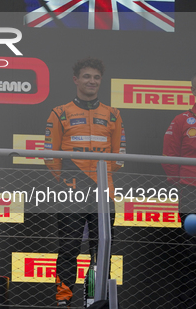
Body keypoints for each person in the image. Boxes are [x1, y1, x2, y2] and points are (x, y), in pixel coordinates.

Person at [43, 57, 125, 307]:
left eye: (96, 77)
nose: (92, 81)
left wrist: (99, 181)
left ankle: (94, 299)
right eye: (87, 76)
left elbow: (119, 158)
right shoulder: (60, 112)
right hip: (71, 191)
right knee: (68, 248)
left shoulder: (113, 114)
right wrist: (70, 179)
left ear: (101, 80)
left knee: (101, 251)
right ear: (76, 80)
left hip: (103, 192)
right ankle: (63, 299)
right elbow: (50, 156)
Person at [162, 73, 196, 308]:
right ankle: (188, 304)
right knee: (191, 252)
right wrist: (181, 181)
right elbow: (170, 156)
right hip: (191, 193)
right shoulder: (183, 120)